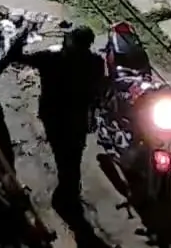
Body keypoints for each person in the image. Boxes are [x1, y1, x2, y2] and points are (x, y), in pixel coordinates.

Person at [14, 25, 106, 212]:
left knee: (62, 154)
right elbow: (97, 91)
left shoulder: (51, 58)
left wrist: (18, 38)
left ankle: (67, 192)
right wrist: (93, 114)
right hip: (78, 117)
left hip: (54, 116)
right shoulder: (95, 62)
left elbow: (20, 58)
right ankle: (70, 189)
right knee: (74, 155)